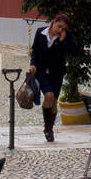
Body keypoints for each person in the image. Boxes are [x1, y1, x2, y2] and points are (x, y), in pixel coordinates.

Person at [28, 13, 75, 142]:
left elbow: (73, 51)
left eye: (63, 28)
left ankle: (49, 129)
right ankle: (47, 128)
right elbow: (35, 51)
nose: (60, 30)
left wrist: (63, 40)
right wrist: (32, 64)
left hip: (57, 73)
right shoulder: (40, 32)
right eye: (59, 26)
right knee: (48, 95)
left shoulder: (65, 36)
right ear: (53, 21)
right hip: (42, 72)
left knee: (53, 101)